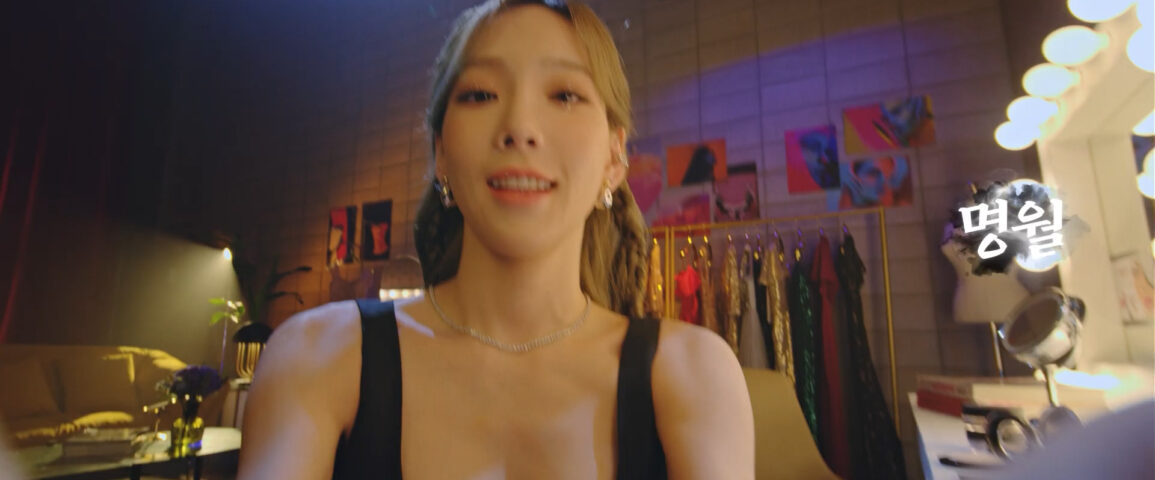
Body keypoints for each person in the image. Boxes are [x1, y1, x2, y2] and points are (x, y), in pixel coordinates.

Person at [236, 1, 754, 479]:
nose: (520, 127)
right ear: (441, 151)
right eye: (481, 94)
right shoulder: (319, 356)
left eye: (565, 95)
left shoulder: (693, 376)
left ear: (614, 159)